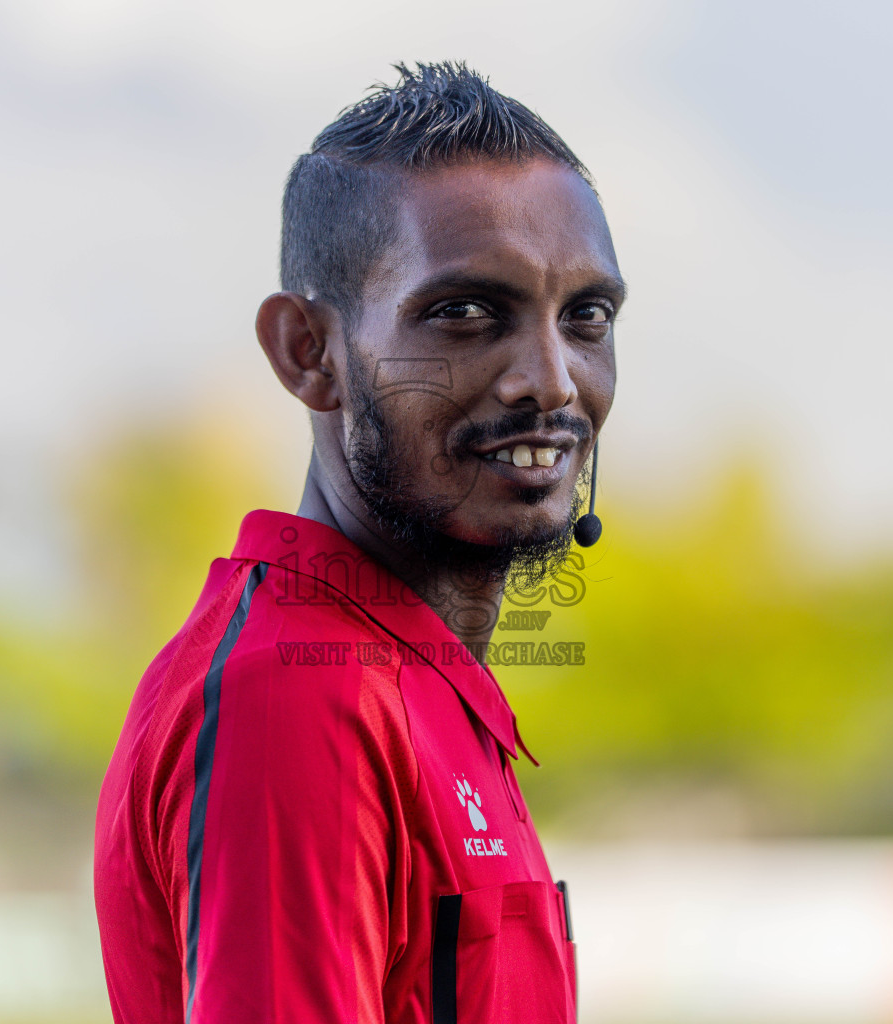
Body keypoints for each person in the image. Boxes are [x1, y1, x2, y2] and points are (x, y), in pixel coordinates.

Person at [94, 61, 623, 1024]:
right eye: (465, 312)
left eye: (585, 316)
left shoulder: (407, 679)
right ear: (309, 351)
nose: (550, 380)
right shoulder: (299, 693)